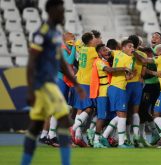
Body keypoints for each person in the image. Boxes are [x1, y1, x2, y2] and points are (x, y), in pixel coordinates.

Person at [21, 0, 85, 165]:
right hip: (43, 84)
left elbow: (62, 63)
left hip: (49, 83)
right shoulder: (42, 33)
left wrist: (76, 84)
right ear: (51, 11)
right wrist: (30, 89)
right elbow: (32, 62)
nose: (63, 14)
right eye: (61, 10)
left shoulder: (55, 33)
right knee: (64, 118)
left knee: (35, 126)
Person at [90, 44, 131, 148]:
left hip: (108, 92)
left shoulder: (106, 61)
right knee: (102, 117)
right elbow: (109, 70)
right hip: (102, 94)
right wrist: (124, 68)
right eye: (104, 50)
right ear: (99, 53)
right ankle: (95, 140)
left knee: (114, 116)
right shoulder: (98, 62)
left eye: (107, 50)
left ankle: (104, 136)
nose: (107, 52)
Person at [134, 43, 161, 140]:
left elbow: (143, 61)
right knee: (158, 113)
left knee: (154, 113)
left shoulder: (158, 59)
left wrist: (133, 52)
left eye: (155, 51)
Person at [70, 32, 98, 147]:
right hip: (87, 82)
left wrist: (76, 40)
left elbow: (77, 43)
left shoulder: (82, 49)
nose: (96, 40)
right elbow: (105, 53)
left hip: (79, 81)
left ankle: (77, 138)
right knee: (89, 108)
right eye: (94, 38)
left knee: (80, 109)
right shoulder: (92, 50)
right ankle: (73, 128)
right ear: (91, 40)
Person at [106, 39, 134, 148]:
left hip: (117, 87)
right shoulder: (128, 58)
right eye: (129, 46)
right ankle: (121, 143)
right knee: (122, 115)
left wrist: (129, 75)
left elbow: (127, 76)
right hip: (118, 87)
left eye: (133, 47)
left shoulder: (117, 53)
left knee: (121, 115)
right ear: (123, 47)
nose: (132, 48)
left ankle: (104, 135)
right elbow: (108, 52)